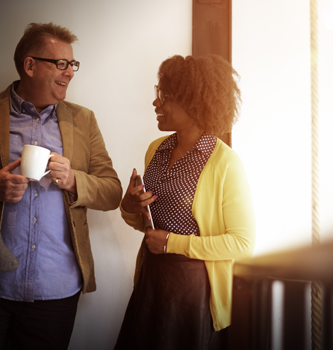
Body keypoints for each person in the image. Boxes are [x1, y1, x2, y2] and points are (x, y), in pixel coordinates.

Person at [115, 54, 256, 350]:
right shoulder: (157, 149)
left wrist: (172, 244)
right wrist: (130, 205)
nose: (156, 103)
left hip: (193, 289)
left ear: (194, 104)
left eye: (165, 96)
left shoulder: (225, 163)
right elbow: (148, 225)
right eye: (159, 93)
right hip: (151, 278)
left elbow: (242, 243)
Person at [0, 23, 122, 349]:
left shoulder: (84, 120)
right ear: (30, 65)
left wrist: (74, 180)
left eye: (73, 65)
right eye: (61, 63)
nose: (70, 73)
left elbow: (112, 191)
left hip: (56, 290)